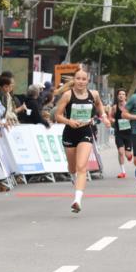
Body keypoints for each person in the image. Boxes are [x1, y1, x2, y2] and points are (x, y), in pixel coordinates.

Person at [54, 67, 110, 212]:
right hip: (70, 132)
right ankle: (73, 177)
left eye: (83, 79)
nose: (80, 81)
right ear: (74, 80)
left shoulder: (94, 94)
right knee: (72, 167)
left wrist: (103, 117)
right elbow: (58, 116)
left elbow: (99, 105)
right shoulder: (67, 95)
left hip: (85, 131)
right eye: (78, 78)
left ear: (88, 81)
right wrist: (69, 122)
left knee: (81, 167)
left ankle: (77, 200)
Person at [110, 89, 134, 178]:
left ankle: (130, 156)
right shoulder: (115, 107)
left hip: (129, 133)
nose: (121, 96)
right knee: (120, 152)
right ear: (117, 96)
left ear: (125, 96)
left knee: (127, 154)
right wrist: (112, 120)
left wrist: (131, 118)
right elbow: (111, 116)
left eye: (123, 94)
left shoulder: (129, 107)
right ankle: (123, 171)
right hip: (119, 133)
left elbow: (134, 116)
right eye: (119, 94)